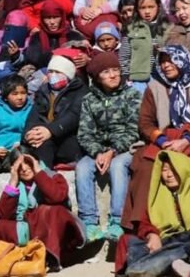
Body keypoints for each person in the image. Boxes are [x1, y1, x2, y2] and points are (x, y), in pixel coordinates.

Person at [121, 45, 190, 232]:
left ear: (182, 60)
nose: (166, 66)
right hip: (162, 139)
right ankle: (142, 227)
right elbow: (145, 123)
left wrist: (184, 141)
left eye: (171, 60)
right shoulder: (154, 87)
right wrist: (163, 142)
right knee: (146, 167)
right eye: (162, 61)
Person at [121, 151, 190, 277]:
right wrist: (151, 235)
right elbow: (144, 221)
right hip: (165, 241)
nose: (169, 175)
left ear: (184, 170)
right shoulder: (154, 194)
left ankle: (150, 268)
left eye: (174, 169)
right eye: (165, 170)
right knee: (130, 242)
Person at [75, 52, 139, 242]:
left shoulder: (132, 95)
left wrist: (112, 151)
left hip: (125, 149)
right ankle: (89, 222)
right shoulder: (89, 100)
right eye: (106, 72)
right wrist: (98, 152)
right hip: (99, 150)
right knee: (82, 167)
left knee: (118, 166)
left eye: (115, 70)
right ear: (96, 77)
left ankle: (117, 221)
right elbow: (84, 133)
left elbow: (134, 130)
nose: (113, 75)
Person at [0, 154, 84, 270]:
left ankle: (51, 257)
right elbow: (4, 214)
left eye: (28, 163)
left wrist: (38, 172)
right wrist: (13, 182)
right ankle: (8, 261)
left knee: (53, 211)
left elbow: (57, 197)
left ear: (36, 161)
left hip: (51, 228)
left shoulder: (54, 177)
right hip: (27, 229)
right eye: (19, 166)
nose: (24, 169)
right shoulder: (18, 185)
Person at [22, 52, 87, 168]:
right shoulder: (43, 90)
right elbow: (34, 115)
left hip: (69, 139)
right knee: (37, 145)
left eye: (57, 72)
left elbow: (73, 116)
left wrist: (50, 131)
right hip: (44, 138)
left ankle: (44, 180)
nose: (53, 75)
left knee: (45, 144)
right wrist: (29, 134)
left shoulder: (81, 91)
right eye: (50, 72)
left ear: (68, 75)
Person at [119, 0, 168, 93]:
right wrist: (125, 77)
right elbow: (124, 56)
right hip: (137, 80)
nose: (147, 12)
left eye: (151, 7)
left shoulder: (167, 28)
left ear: (158, 6)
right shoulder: (131, 29)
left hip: (161, 78)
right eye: (142, 8)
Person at [0, 75, 32, 174]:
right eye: (15, 94)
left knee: (19, 161)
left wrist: (22, 143)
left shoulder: (32, 110)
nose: (20, 97)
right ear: (6, 97)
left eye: (23, 93)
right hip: (0, 151)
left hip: (21, 150)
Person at [22, 0, 85, 69]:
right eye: (48, 18)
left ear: (62, 17)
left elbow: (83, 55)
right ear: (42, 19)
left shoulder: (73, 36)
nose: (52, 22)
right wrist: (54, 55)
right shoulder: (37, 37)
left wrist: (85, 59)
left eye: (55, 17)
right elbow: (32, 58)